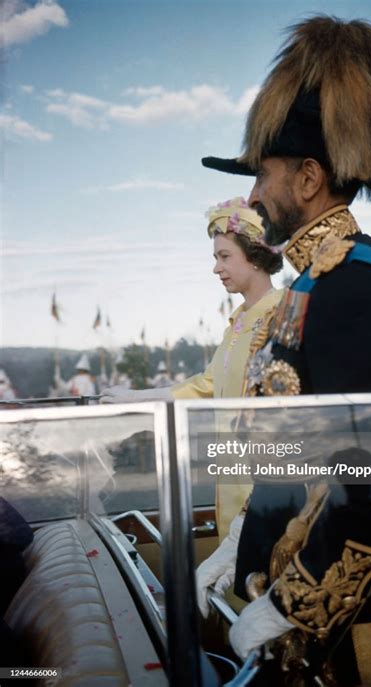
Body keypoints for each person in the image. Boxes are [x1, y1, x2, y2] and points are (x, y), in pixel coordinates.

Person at [200, 15, 371, 685]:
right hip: (306, 602)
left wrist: (292, 604)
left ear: (308, 177)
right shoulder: (316, 278)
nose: (254, 195)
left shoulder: (355, 286)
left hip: (352, 630)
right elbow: (302, 446)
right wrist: (244, 537)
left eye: (264, 175)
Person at [102, 197, 283, 542]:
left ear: (257, 256)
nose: (216, 268)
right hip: (231, 478)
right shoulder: (238, 323)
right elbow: (206, 384)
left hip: (266, 483)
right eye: (216, 257)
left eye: (224, 256)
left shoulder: (280, 317)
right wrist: (136, 396)